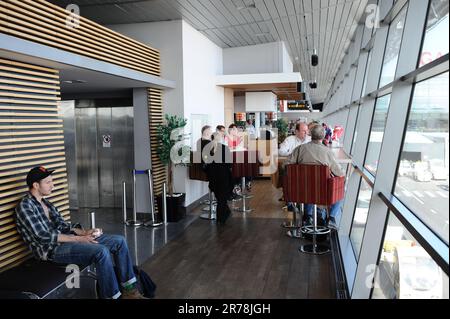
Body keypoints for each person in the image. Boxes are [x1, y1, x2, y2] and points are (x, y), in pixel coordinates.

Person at [15, 166, 148, 299]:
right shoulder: (25, 206)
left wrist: (84, 232)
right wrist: (79, 239)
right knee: (100, 251)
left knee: (119, 241)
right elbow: (42, 236)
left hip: (67, 242)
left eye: (52, 181)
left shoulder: (46, 204)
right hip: (52, 251)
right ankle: (112, 296)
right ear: (36, 185)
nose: (52, 185)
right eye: (48, 182)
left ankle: (129, 290)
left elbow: (63, 225)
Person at [283, 125, 345, 230]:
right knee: (341, 185)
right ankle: (332, 218)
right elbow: (339, 173)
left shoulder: (300, 149)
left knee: (310, 184)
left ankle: (308, 216)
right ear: (324, 136)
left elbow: (286, 164)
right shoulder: (327, 152)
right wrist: (343, 174)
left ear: (310, 135)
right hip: (323, 192)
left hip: (301, 190)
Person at [203, 133, 234, 224]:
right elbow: (229, 164)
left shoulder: (207, 149)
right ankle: (221, 218)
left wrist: (209, 173)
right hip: (223, 175)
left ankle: (225, 213)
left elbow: (205, 165)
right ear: (220, 138)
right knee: (222, 198)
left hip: (213, 177)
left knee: (219, 197)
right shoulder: (224, 148)